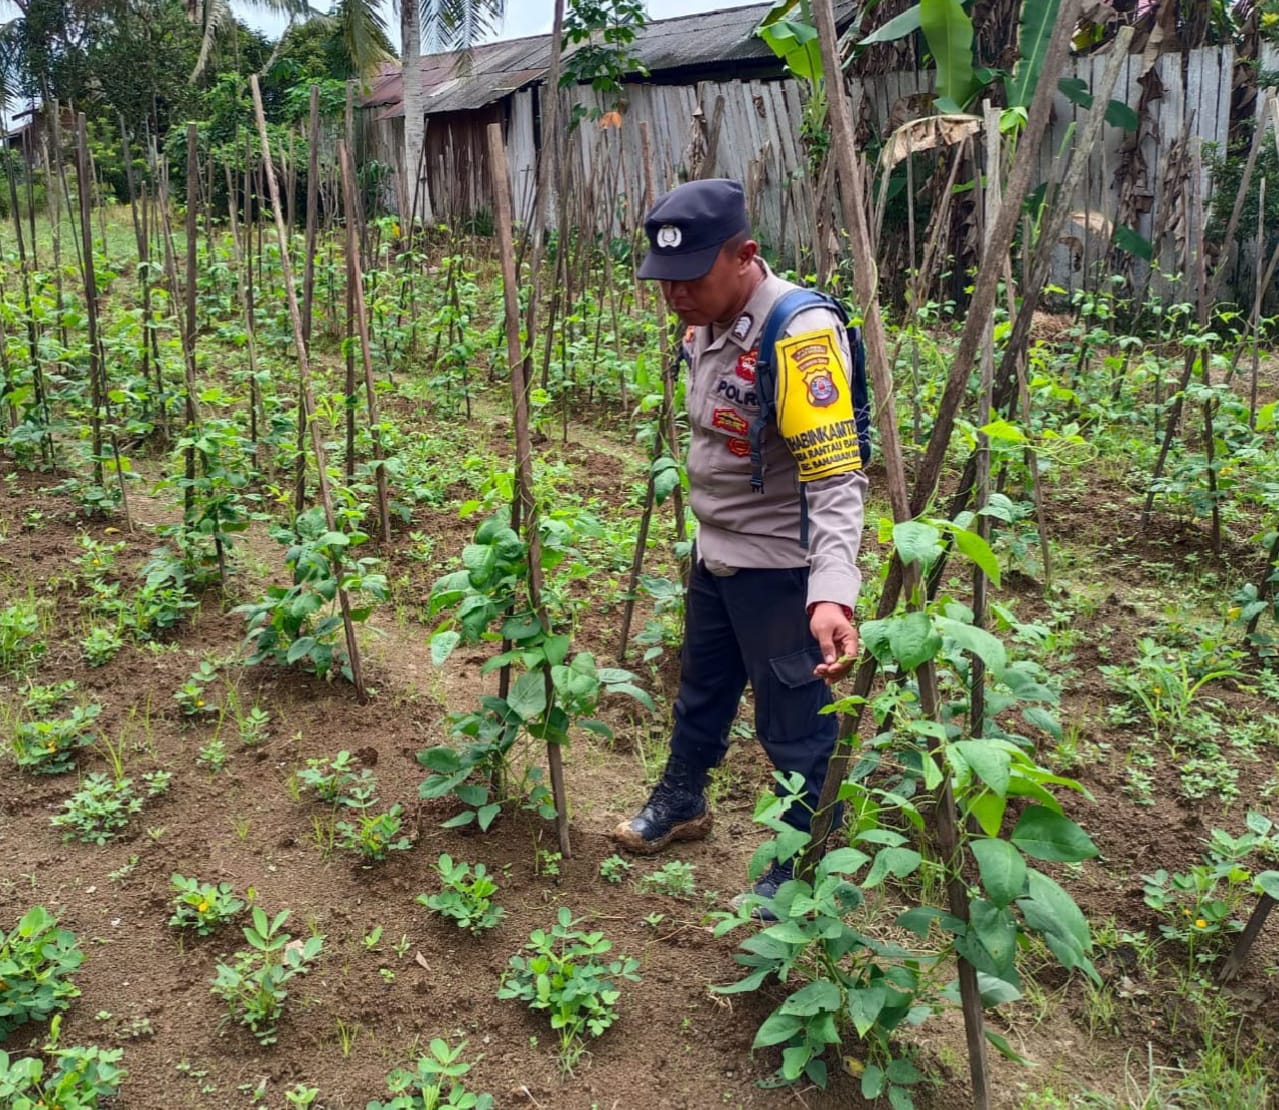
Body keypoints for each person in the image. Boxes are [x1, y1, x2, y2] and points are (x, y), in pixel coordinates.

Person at [611, 178, 868, 906]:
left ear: (745, 256)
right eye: (665, 281)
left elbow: (836, 477)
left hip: (781, 570)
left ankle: (800, 860)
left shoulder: (799, 334)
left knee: (794, 729)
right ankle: (683, 801)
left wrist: (830, 591)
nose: (675, 296)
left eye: (691, 279)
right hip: (718, 554)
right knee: (702, 691)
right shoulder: (708, 320)